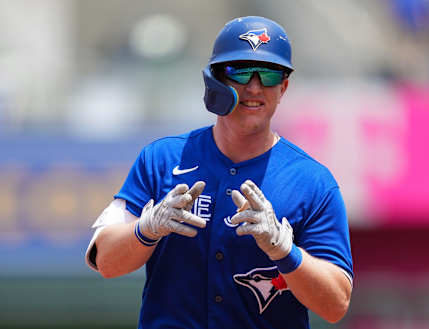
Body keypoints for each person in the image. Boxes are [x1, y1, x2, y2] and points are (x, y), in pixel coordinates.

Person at [85, 16, 353, 329]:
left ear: (284, 87)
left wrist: (284, 250)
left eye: (268, 74)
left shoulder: (313, 182)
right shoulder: (162, 158)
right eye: (239, 71)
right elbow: (105, 260)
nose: (254, 87)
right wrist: (148, 228)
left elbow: (336, 305)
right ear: (216, 80)